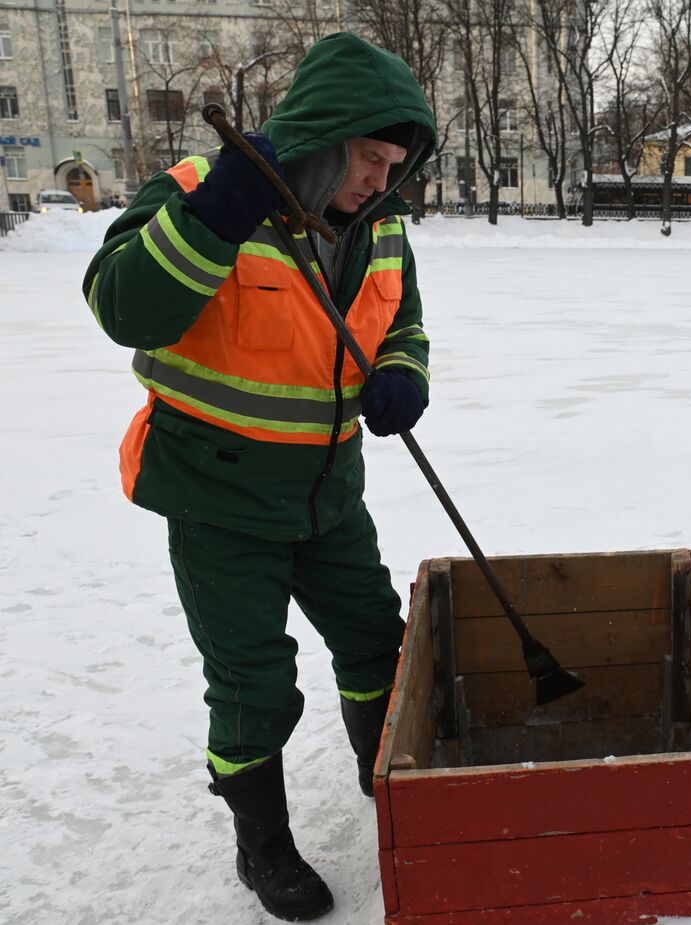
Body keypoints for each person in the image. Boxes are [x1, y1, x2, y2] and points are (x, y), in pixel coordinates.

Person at [81, 33, 437, 921]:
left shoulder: (379, 229)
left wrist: (403, 376)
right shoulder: (205, 195)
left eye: (394, 163)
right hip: (218, 499)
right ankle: (262, 844)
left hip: (330, 492)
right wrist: (217, 218)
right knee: (252, 681)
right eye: (368, 155)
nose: (378, 178)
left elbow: (404, 325)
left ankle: (377, 766)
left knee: (375, 642)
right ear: (327, 132)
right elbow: (122, 305)